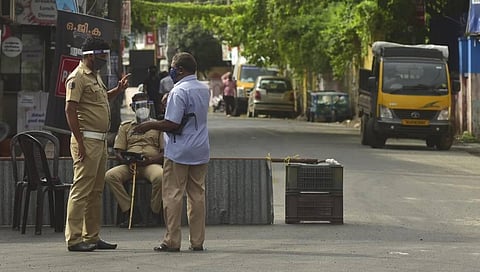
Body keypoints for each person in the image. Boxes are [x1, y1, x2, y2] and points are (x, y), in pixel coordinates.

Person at [134, 52, 210, 252]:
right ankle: (197, 241)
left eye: (173, 68)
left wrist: (149, 125)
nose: (171, 72)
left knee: (173, 195)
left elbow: (172, 123)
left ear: (181, 70)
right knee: (197, 196)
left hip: (179, 150)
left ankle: (172, 241)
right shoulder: (204, 89)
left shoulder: (179, 92)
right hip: (200, 149)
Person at [64, 36, 129, 252]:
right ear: (89, 56)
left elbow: (98, 101)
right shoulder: (78, 77)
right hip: (86, 140)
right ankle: (74, 239)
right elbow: (70, 109)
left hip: (99, 142)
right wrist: (80, 143)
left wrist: (117, 90)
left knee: (96, 191)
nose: (103, 59)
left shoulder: (95, 76)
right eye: (101, 55)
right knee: (81, 189)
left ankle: (91, 236)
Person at [105, 92, 164, 228]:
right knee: (110, 176)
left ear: (149, 107)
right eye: (139, 106)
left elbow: (164, 153)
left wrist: (148, 161)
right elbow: (118, 151)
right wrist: (126, 160)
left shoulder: (158, 126)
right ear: (132, 108)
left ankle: (154, 212)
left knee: (161, 176)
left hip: (150, 164)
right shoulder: (125, 126)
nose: (142, 109)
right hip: (130, 165)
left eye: (145, 106)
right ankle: (130, 210)